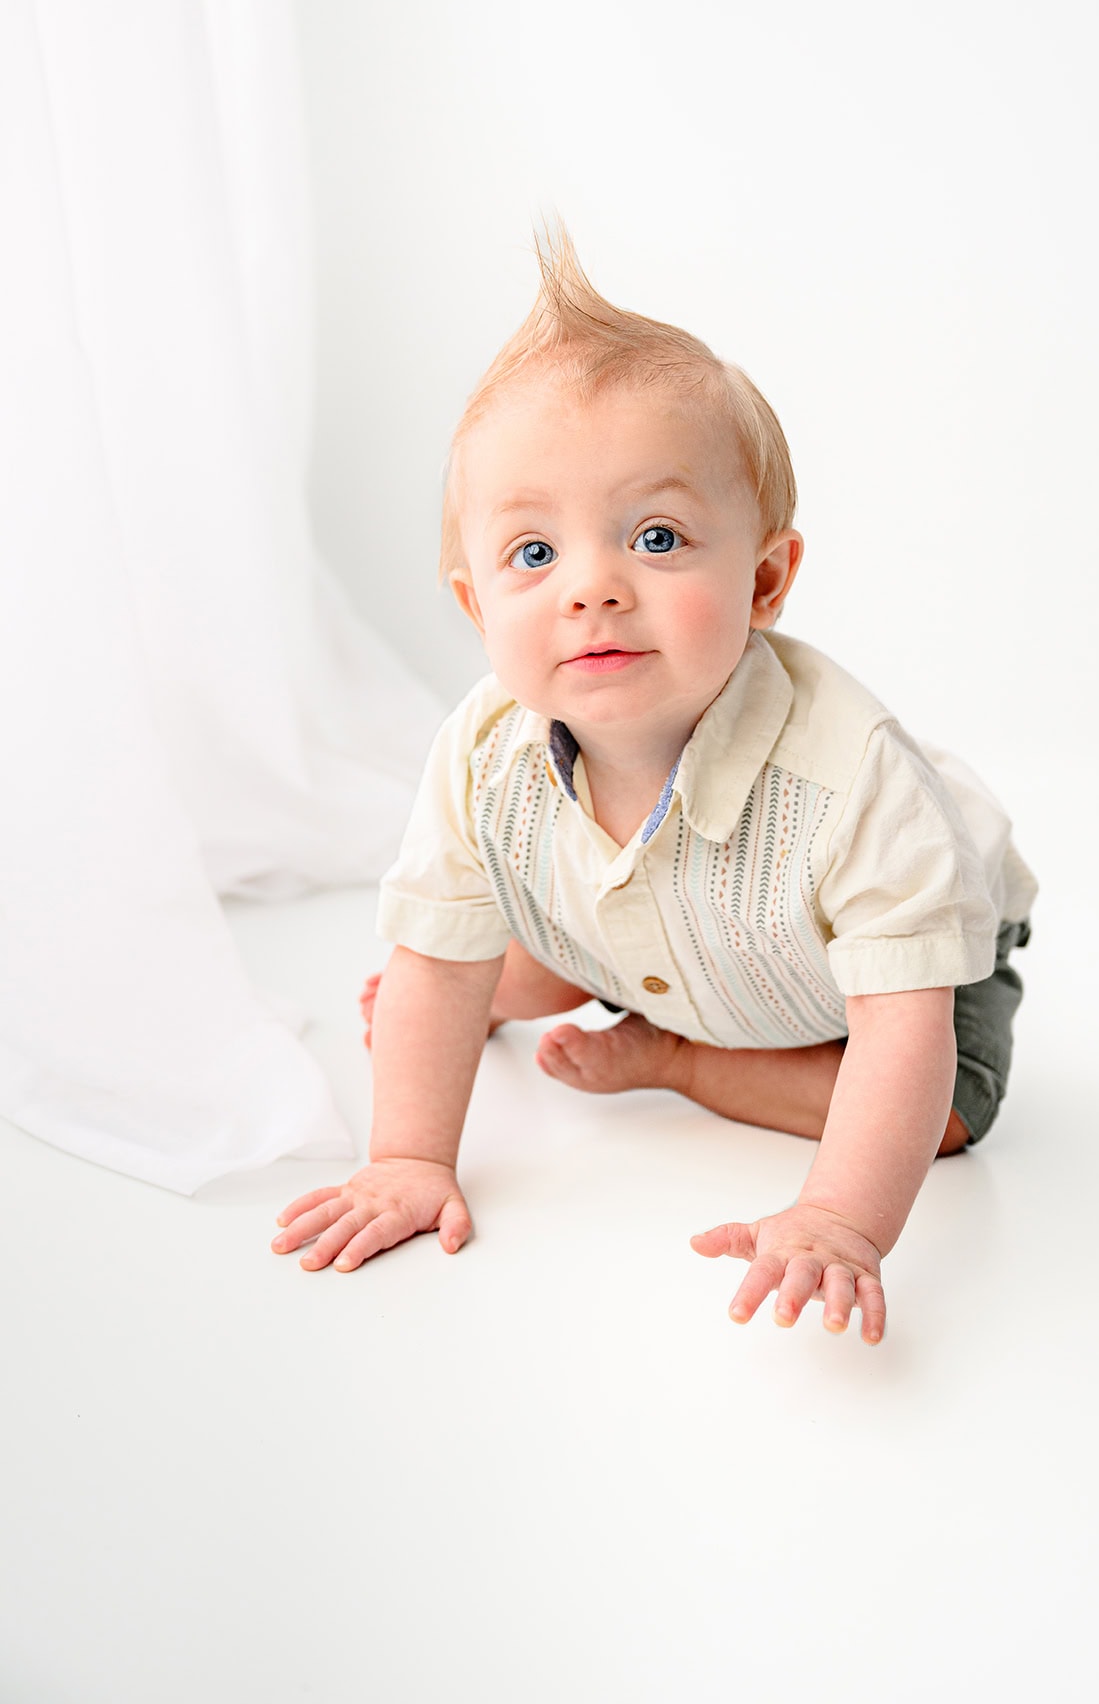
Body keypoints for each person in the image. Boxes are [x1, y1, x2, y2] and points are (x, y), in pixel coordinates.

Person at [271, 227, 1037, 1344]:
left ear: (764, 577)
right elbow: (433, 949)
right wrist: (407, 1157)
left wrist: (839, 1218)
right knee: (455, 967)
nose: (592, 588)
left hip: (874, 978)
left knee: (944, 1110)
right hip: (652, 914)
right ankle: (542, 987)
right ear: (476, 604)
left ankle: (678, 1053)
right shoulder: (482, 750)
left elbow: (897, 1025)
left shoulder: (850, 777)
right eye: (534, 554)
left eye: (658, 536)